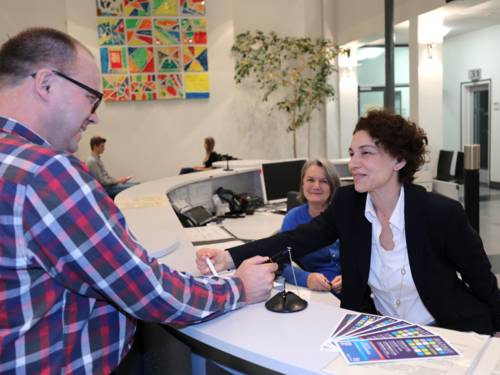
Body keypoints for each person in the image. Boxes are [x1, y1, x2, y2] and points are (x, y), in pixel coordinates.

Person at [0, 27, 277, 374]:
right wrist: (237, 288)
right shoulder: (46, 173)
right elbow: (146, 291)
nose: (95, 115)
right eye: (91, 97)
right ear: (45, 83)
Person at [197, 109, 500, 336]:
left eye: (366, 153)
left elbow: (482, 280)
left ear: (399, 160)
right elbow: (294, 239)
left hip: (446, 332)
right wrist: (227, 257)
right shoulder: (348, 204)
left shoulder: (440, 213)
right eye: (352, 153)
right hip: (381, 334)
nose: (353, 163)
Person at [280, 158, 342, 295]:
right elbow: (280, 263)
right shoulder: (293, 218)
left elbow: (365, 259)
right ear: (302, 183)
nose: (316, 186)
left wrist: (350, 277)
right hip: (316, 291)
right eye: (310, 180)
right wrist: (306, 278)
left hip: (352, 290)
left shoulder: (346, 215)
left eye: (324, 181)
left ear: (332, 186)